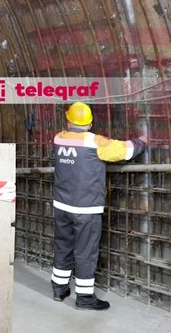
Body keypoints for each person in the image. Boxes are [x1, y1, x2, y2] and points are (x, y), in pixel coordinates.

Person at [51, 102, 146, 310]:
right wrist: (142, 141)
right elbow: (124, 151)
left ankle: (59, 289)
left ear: (68, 121)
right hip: (85, 209)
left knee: (63, 246)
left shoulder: (59, 138)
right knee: (85, 252)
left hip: (61, 205)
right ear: (90, 123)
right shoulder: (95, 142)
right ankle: (84, 298)